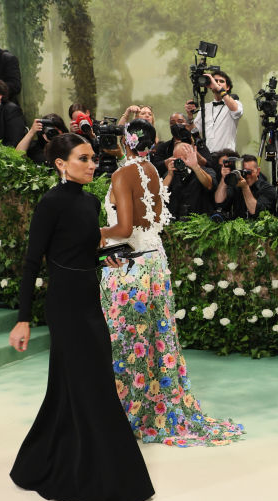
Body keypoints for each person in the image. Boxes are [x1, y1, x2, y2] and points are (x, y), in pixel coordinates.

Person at [7, 133, 154, 501]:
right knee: (90, 382)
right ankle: (102, 470)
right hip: (65, 304)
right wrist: (23, 319)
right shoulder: (50, 204)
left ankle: (50, 455)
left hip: (89, 298)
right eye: (83, 159)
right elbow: (32, 261)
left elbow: (82, 254)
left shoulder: (89, 203)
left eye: (93, 159)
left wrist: (108, 259)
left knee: (78, 381)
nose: (92, 165)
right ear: (61, 163)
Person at [98, 119, 245, 445]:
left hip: (130, 266)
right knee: (155, 339)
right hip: (155, 262)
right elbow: (154, 219)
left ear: (125, 141)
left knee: (127, 340)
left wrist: (93, 236)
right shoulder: (151, 171)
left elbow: (122, 230)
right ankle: (153, 406)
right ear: (151, 144)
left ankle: (129, 412)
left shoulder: (122, 175)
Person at [212, 151, 277, 220]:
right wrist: (224, 178)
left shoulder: (268, 188)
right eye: (243, 172)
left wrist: (245, 188)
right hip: (238, 227)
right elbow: (219, 202)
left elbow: (256, 212)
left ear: (258, 171)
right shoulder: (236, 185)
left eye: (249, 172)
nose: (246, 175)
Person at [163, 140, 216, 219]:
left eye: (185, 158)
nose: (181, 162)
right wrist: (170, 175)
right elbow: (160, 194)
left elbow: (209, 184)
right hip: (175, 222)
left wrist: (195, 167)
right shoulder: (170, 173)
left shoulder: (206, 171)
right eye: (177, 159)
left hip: (199, 222)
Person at [192, 70, 242, 153]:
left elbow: (236, 111)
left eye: (221, 81)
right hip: (208, 158)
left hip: (226, 157)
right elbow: (195, 130)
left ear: (228, 87)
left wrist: (219, 88)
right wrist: (190, 116)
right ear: (210, 85)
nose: (217, 83)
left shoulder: (234, 103)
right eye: (215, 81)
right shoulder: (205, 107)